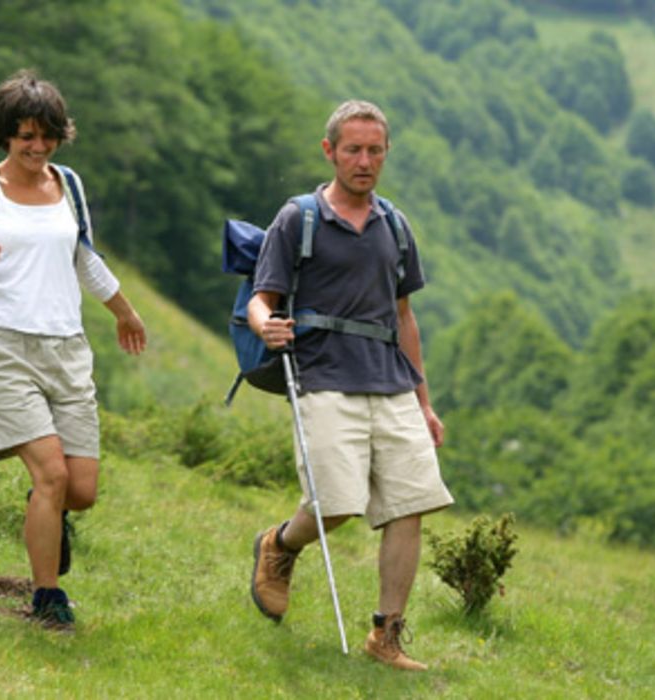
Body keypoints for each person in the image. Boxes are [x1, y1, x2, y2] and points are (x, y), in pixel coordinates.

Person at [245, 99, 454, 670]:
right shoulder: (298, 218)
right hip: (322, 377)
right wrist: (267, 328)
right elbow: (261, 299)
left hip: (390, 381)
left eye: (375, 150)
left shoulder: (395, 225)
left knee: (410, 503)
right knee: (336, 505)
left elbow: (403, 318)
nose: (364, 160)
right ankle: (279, 545)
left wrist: (424, 401)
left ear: (386, 153)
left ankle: (386, 636)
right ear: (330, 151)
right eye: (353, 149)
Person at [0, 70, 147, 629]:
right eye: (25, 136)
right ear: (4, 134)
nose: (36, 148)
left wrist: (123, 310)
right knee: (51, 475)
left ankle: (51, 519)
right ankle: (47, 598)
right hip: (2, 344)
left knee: (80, 491)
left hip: (68, 346)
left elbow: (83, 256)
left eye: (47, 136)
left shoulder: (69, 184)